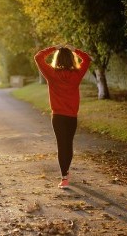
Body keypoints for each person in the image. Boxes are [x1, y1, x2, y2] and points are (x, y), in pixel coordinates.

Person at [34, 44, 91, 189]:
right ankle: (66, 173)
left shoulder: (51, 74)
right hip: (71, 116)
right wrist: (75, 50)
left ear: (57, 58)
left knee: (61, 145)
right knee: (68, 144)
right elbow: (87, 59)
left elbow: (38, 57)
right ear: (72, 59)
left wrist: (54, 48)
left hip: (58, 117)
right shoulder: (77, 74)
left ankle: (64, 177)